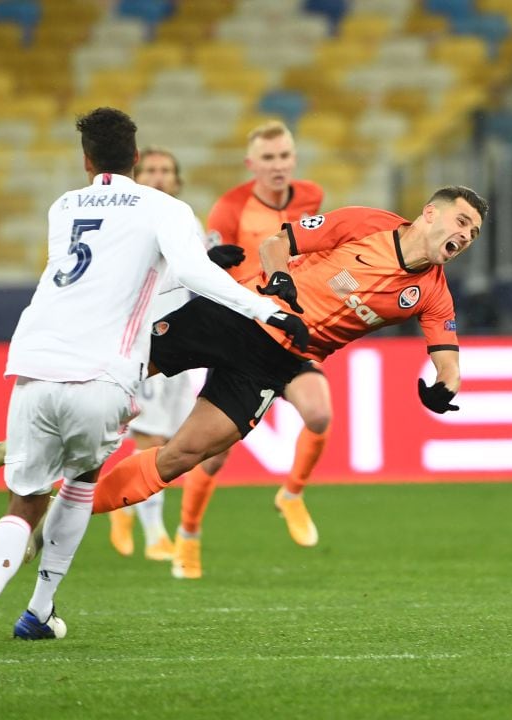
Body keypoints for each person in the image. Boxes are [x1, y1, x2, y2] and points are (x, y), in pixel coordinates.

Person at [0, 107, 306, 647]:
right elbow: (184, 275)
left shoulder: (63, 206)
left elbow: (97, 277)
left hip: (32, 366)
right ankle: (39, 611)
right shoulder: (163, 206)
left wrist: (204, 258)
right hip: (102, 375)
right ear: (137, 159)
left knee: (23, 501)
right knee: (80, 482)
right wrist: (265, 309)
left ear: (87, 159)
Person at [87, 186, 486, 530]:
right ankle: (44, 447)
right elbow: (276, 244)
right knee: (120, 369)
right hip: (241, 313)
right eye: (462, 221)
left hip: (274, 364)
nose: (466, 235)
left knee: (184, 456)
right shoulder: (366, 224)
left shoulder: (433, 294)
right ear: (430, 213)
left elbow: (448, 362)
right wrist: (280, 278)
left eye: (474, 232)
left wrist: (443, 388)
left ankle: (69, 511)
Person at [172, 120, 326, 580]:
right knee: (213, 454)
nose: (278, 166)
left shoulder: (312, 197)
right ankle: (189, 533)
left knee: (319, 414)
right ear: (251, 164)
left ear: (293, 159)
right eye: (269, 158)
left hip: (291, 331)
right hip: (243, 334)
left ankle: (292, 494)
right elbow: (211, 272)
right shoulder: (230, 208)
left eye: (284, 156)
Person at [105, 147, 210, 563]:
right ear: (136, 174)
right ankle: (153, 533)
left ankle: (124, 508)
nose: (159, 176)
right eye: (150, 169)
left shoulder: (188, 221)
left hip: (179, 340)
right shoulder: (123, 221)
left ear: (177, 179)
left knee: (167, 439)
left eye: (166, 170)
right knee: (147, 436)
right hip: (139, 338)